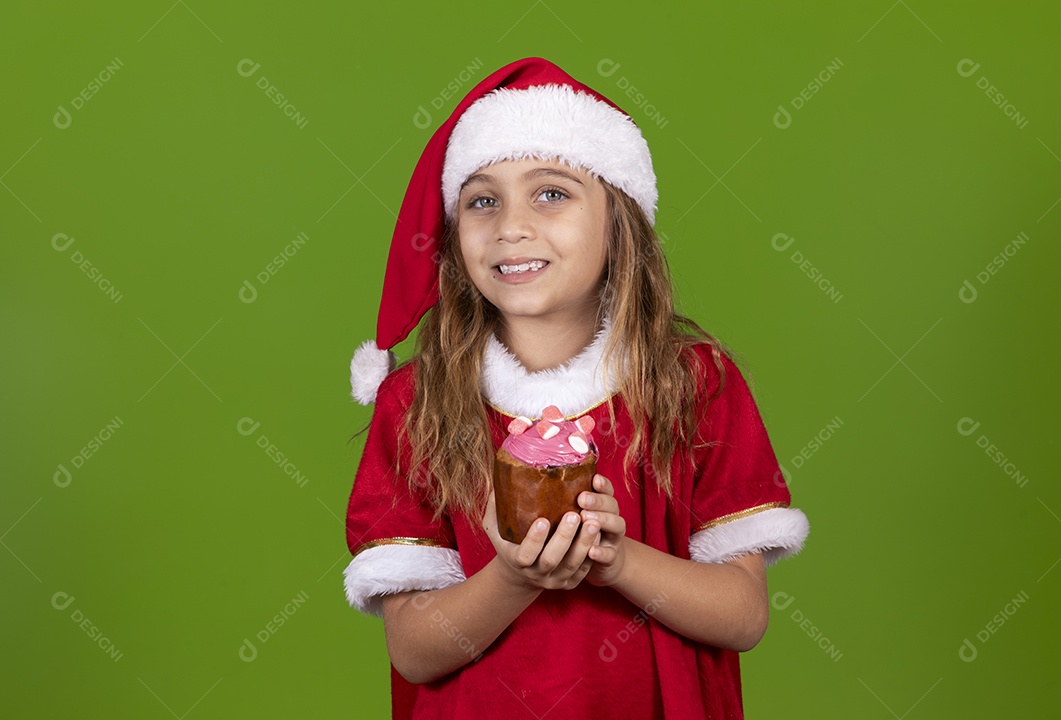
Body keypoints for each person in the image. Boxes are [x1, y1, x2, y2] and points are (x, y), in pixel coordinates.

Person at [342, 56, 810, 719]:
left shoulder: (694, 385)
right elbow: (416, 650)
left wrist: (615, 560)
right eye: (482, 200)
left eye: (551, 192)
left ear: (619, 224)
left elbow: (742, 616)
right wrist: (514, 577)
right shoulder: (416, 406)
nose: (511, 225)